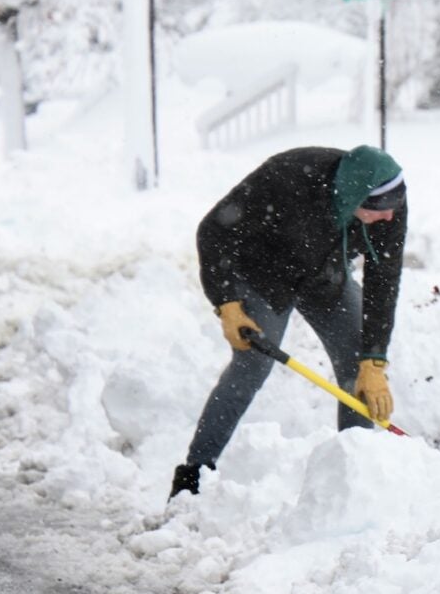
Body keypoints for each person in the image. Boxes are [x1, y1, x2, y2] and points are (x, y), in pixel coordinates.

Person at [170, 145, 408, 499]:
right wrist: (227, 303)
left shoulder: (390, 203)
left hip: (325, 277)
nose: (389, 218)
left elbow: (383, 279)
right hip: (263, 276)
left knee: (357, 359)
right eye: (378, 210)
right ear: (355, 195)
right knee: (253, 363)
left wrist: (373, 359)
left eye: (393, 209)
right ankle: (193, 478)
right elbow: (213, 231)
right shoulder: (289, 175)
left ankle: (351, 477)